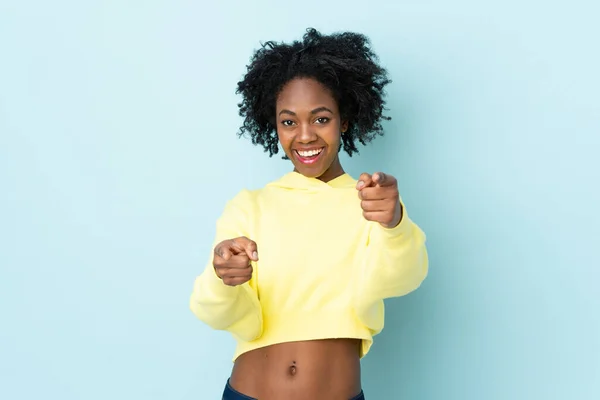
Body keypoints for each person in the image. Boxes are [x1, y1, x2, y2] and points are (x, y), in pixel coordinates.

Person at [189, 28, 428, 400]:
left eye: (320, 119)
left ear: (344, 120)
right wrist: (224, 278)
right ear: (275, 126)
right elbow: (218, 313)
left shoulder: (372, 202)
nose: (304, 136)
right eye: (289, 122)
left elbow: (402, 278)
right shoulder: (250, 206)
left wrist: (394, 224)